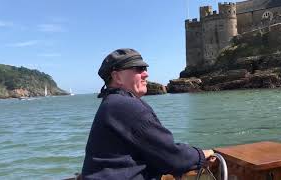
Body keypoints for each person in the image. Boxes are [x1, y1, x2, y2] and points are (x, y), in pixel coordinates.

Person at [82, 48, 215, 180]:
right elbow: (172, 157)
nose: (146, 74)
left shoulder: (112, 103)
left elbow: (151, 153)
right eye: (139, 69)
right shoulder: (126, 106)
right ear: (117, 77)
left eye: (145, 69)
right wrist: (201, 155)